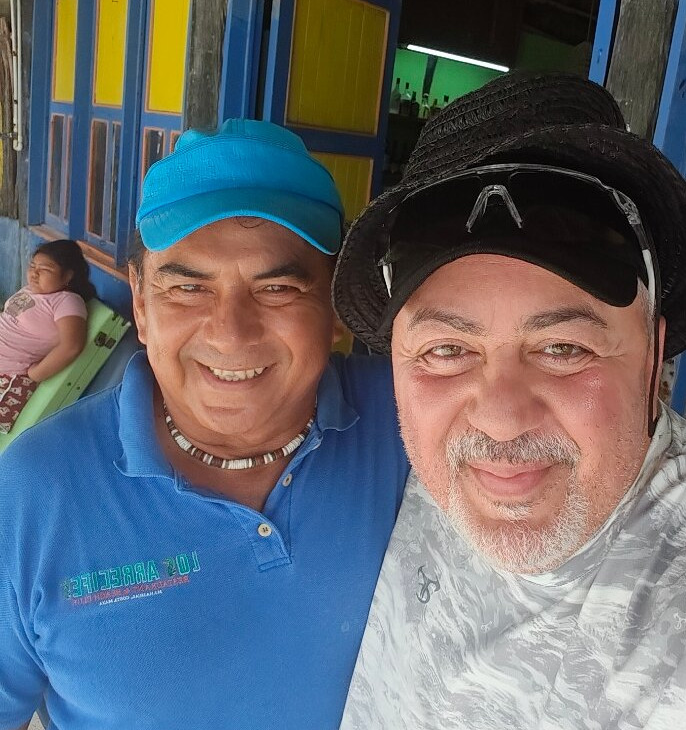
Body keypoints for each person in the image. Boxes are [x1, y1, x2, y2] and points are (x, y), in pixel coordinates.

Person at [332, 72, 686, 729]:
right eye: (446, 351)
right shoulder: (380, 460)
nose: (499, 419)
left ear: (652, 358)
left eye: (563, 349)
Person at [0, 120, 408, 729]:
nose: (230, 333)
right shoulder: (32, 492)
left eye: (278, 288)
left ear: (335, 304)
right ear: (141, 303)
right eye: (188, 289)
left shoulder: (414, 425)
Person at [0, 240, 95, 434]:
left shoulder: (67, 301)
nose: (34, 273)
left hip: (9, 378)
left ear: (67, 276)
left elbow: (71, 346)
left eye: (45, 269)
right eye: (32, 266)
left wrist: (37, 374)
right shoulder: (31, 290)